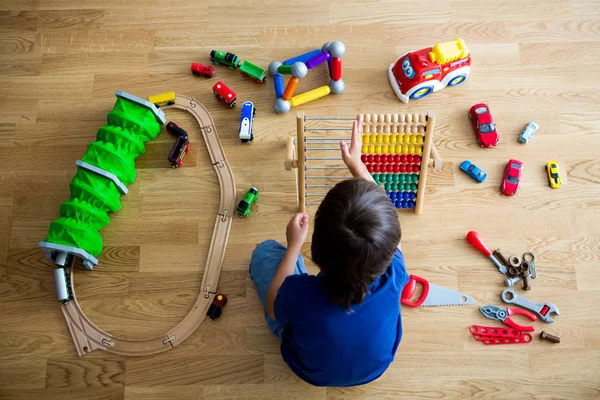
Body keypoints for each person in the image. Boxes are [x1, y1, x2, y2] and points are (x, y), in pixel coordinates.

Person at [249, 117, 409, 387]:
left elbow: (273, 308)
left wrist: (293, 247)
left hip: (311, 370)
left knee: (265, 252)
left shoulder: (299, 293)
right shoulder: (394, 271)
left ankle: (287, 255)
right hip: (375, 370)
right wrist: (358, 166)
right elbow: (390, 228)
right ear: (389, 248)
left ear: (317, 247)